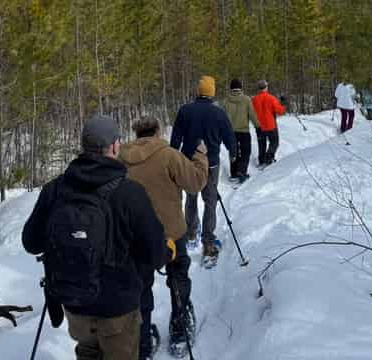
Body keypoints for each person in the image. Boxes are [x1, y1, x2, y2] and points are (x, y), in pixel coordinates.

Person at [22, 115, 174, 360]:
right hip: (118, 310)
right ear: (115, 147)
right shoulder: (129, 193)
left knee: (87, 352)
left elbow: (31, 242)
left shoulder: (55, 189)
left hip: (75, 305)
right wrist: (168, 249)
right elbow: (156, 254)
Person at [120, 117, 209, 359]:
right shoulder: (168, 155)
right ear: (157, 132)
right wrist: (200, 154)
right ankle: (180, 330)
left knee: (140, 287)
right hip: (171, 231)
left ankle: (143, 343)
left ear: (136, 133)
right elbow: (196, 183)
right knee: (178, 276)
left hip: (134, 236)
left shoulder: (120, 158)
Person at [170, 75, 236, 264]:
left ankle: (191, 234)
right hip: (211, 163)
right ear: (212, 92)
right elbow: (229, 137)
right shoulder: (218, 113)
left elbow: (175, 139)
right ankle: (208, 242)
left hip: (188, 162)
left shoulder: (185, 110)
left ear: (198, 91)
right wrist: (233, 153)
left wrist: (173, 158)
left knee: (191, 197)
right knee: (210, 200)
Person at [222, 78, 260, 183]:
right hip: (244, 131)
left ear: (231, 88)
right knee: (245, 152)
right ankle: (242, 172)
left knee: (233, 152)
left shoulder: (226, 101)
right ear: (240, 88)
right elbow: (252, 114)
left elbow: (222, 118)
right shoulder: (246, 100)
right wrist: (258, 126)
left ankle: (234, 174)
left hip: (230, 132)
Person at [252, 79, 285, 166]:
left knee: (261, 143)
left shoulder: (254, 100)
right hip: (270, 125)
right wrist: (282, 103)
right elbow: (280, 111)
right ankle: (268, 158)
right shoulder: (271, 98)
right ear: (266, 87)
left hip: (259, 126)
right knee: (274, 142)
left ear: (259, 88)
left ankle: (262, 160)